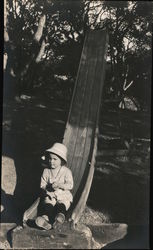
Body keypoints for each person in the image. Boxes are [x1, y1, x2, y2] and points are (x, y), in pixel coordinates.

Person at [35, 143, 74, 230]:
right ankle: (45, 219)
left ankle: (59, 218)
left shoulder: (66, 171)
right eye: (49, 158)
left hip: (62, 194)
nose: (51, 161)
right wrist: (47, 188)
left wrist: (60, 185)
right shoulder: (46, 171)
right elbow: (42, 184)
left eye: (54, 159)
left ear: (61, 160)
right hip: (50, 194)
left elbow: (70, 185)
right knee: (48, 204)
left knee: (62, 204)